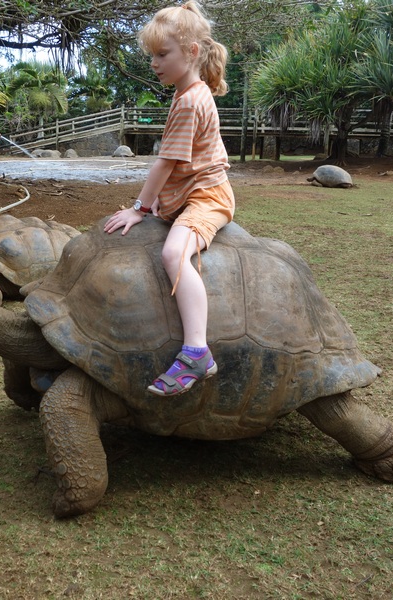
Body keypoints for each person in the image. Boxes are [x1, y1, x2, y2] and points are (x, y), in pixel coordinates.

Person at [104, 1, 235, 397]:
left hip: (208, 198)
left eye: (163, 55)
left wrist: (140, 207)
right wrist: (165, 200)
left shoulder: (191, 100)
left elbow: (164, 163)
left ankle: (197, 351)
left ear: (192, 52)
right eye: (152, 56)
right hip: (191, 193)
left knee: (172, 255)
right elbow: (183, 164)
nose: (155, 64)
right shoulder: (189, 95)